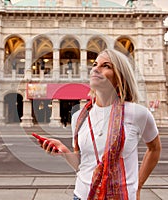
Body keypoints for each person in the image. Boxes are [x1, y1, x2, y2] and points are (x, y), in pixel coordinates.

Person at [37, 49, 161, 200]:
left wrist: (139, 185)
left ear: (120, 77)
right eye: (95, 64)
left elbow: (154, 149)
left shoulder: (138, 113)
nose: (96, 68)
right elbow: (83, 165)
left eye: (106, 66)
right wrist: (64, 151)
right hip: (82, 195)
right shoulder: (79, 117)